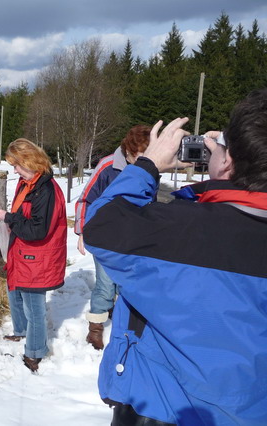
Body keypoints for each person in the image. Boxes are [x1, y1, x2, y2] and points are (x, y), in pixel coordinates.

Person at [83, 89, 267, 425]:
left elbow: (100, 224)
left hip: (163, 407)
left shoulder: (179, 231)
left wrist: (148, 166)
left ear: (227, 161)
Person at [0, 138, 67, 373]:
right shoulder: (28, 183)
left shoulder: (45, 190)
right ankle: (22, 331)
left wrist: (9, 218)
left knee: (34, 307)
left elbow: (37, 230)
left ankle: (35, 352)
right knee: (14, 292)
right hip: (23, 253)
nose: (14, 170)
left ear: (29, 161)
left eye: (16, 165)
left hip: (37, 257)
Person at [74, 125, 151, 350]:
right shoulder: (108, 166)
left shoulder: (149, 169)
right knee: (106, 287)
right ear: (128, 151)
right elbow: (85, 198)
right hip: (105, 237)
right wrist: (82, 230)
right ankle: (95, 330)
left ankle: (119, 321)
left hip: (131, 238)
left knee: (125, 286)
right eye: (138, 156)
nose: (141, 161)